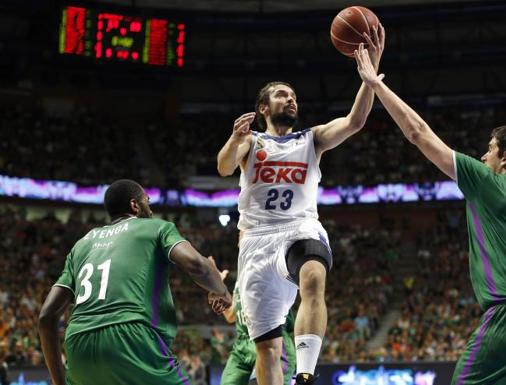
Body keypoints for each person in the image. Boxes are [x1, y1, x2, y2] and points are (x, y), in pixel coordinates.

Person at [354, 47, 506, 385]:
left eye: (489, 148)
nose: (483, 154)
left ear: (504, 157)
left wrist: (375, 84)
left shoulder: (490, 182)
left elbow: (419, 133)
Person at [216, 26, 385, 385]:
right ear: (263, 107)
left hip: (299, 227)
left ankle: (306, 372)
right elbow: (224, 166)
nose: (291, 99)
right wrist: (234, 138)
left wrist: (369, 74)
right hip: (256, 241)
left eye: (293, 95)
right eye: (281, 95)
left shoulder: (312, 139)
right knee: (268, 350)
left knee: (312, 274)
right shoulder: (252, 141)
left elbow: (355, 122)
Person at [38, 179, 232, 385]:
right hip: (131, 336)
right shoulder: (156, 227)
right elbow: (196, 264)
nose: (151, 208)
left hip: (78, 345)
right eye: (147, 201)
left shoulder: (81, 245)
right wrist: (220, 289)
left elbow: (46, 318)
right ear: (135, 205)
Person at [221, 281, 296, 385]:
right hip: (243, 344)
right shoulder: (240, 279)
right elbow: (231, 315)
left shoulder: (271, 270)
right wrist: (217, 288)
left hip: (271, 338)